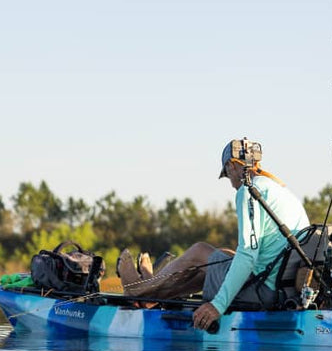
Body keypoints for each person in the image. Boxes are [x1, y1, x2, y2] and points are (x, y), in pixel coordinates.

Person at [116, 139, 309, 331]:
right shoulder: (282, 191)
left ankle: (137, 290)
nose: (232, 184)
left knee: (200, 252)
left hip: (263, 291)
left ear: (231, 166)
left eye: (227, 175)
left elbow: (248, 255)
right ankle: (150, 297)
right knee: (219, 256)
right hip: (283, 287)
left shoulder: (249, 190)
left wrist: (218, 305)